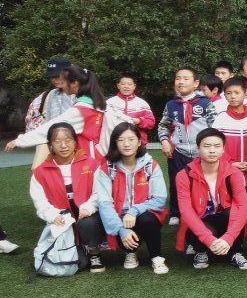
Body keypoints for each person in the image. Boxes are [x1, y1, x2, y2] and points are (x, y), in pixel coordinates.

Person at [7, 64, 131, 161]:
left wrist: (20, 141)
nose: (60, 84)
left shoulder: (80, 111)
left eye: (63, 81)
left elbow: (52, 128)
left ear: (74, 83)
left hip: (88, 163)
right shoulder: (98, 104)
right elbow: (126, 122)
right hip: (101, 159)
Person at [30, 122, 105, 272]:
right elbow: (39, 200)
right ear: (50, 145)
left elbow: (100, 192)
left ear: (75, 142)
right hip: (62, 220)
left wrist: (88, 207)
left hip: (87, 216)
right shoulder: (40, 172)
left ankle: (94, 253)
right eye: (57, 141)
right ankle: (79, 250)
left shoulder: (91, 164)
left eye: (68, 140)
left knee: (88, 223)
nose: (63, 145)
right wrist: (53, 215)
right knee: (79, 264)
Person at [95, 122, 168, 274]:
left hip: (143, 214)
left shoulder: (151, 166)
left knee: (147, 219)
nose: (126, 144)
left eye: (131, 139)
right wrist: (121, 230)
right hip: (119, 218)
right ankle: (130, 252)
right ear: (115, 143)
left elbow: (159, 200)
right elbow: (104, 203)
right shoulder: (107, 168)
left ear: (139, 142)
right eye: (121, 140)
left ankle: (156, 256)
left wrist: (134, 210)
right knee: (120, 224)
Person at [175, 128, 247, 270]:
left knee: (233, 213)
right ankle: (201, 251)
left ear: (223, 149)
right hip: (201, 218)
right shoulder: (183, 175)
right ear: (198, 148)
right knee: (190, 221)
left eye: (217, 146)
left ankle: (235, 252)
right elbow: (186, 211)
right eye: (206, 146)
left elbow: (244, 206)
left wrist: (229, 237)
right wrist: (209, 239)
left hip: (223, 218)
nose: (212, 151)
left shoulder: (233, 172)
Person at [157, 67, 217, 225]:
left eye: (185, 78)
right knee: (176, 182)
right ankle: (175, 212)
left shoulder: (205, 103)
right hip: (178, 152)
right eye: (178, 78)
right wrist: (164, 141)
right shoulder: (171, 105)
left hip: (201, 153)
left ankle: (204, 208)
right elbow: (163, 126)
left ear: (196, 83)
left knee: (201, 183)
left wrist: (210, 147)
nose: (181, 82)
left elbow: (215, 126)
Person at [213, 78, 247, 235]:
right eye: (229, 93)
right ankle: (234, 236)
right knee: (231, 208)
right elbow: (216, 146)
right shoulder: (220, 118)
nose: (233, 96)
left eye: (237, 93)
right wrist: (231, 164)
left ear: (245, 95)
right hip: (230, 172)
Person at [24, 58, 75, 132]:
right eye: (51, 77)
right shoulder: (48, 95)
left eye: (57, 76)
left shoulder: (80, 94)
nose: (54, 80)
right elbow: (31, 119)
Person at [106, 73, 156, 143]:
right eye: (123, 84)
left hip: (138, 143)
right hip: (114, 142)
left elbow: (151, 123)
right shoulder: (110, 103)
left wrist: (138, 121)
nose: (126, 86)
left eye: (129, 84)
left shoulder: (142, 103)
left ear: (134, 86)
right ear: (118, 86)